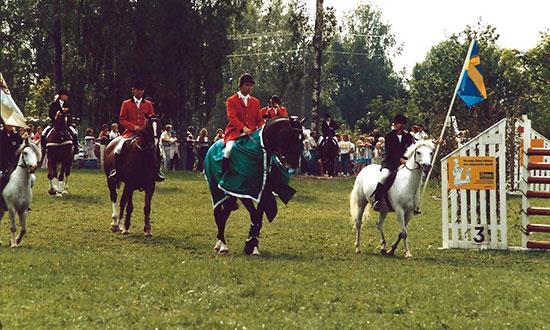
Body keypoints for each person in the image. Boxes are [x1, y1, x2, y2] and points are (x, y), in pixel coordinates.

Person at [109, 81, 164, 182]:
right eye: (137, 90)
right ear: (133, 90)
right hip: (129, 132)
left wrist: (145, 127)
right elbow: (122, 120)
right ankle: (116, 171)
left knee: (158, 149)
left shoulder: (148, 104)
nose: (140, 92)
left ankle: (157, 171)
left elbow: (152, 118)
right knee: (118, 148)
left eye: (141, 90)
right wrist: (134, 127)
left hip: (145, 134)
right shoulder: (126, 103)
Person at [222, 73, 264, 173]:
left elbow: (259, 119)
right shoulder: (231, 100)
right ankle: (224, 172)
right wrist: (243, 128)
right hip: (235, 132)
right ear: (241, 85)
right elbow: (232, 117)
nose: (249, 88)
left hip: (252, 134)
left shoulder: (255, 102)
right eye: (247, 85)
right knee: (228, 150)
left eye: (251, 85)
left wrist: (263, 127)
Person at [372, 114, 415, 211]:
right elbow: (390, 151)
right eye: (395, 123)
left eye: (397, 123)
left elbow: (413, 147)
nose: (395, 125)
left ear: (402, 124)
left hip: (404, 164)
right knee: (383, 177)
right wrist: (400, 159)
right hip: (391, 163)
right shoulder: (389, 136)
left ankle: (413, 202)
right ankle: (377, 200)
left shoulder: (408, 136)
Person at [41, 89, 79, 153]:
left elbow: (71, 113)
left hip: (66, 124)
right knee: (43, 133)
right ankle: (43, 148)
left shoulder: (68, 104)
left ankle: (76, 147)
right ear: (62, 96)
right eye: (66, 95)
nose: (67, 97)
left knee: (74, 133)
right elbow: (50, 114)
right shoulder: (53, 104)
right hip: (54, 123)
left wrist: (68, 116)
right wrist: (56, 117)